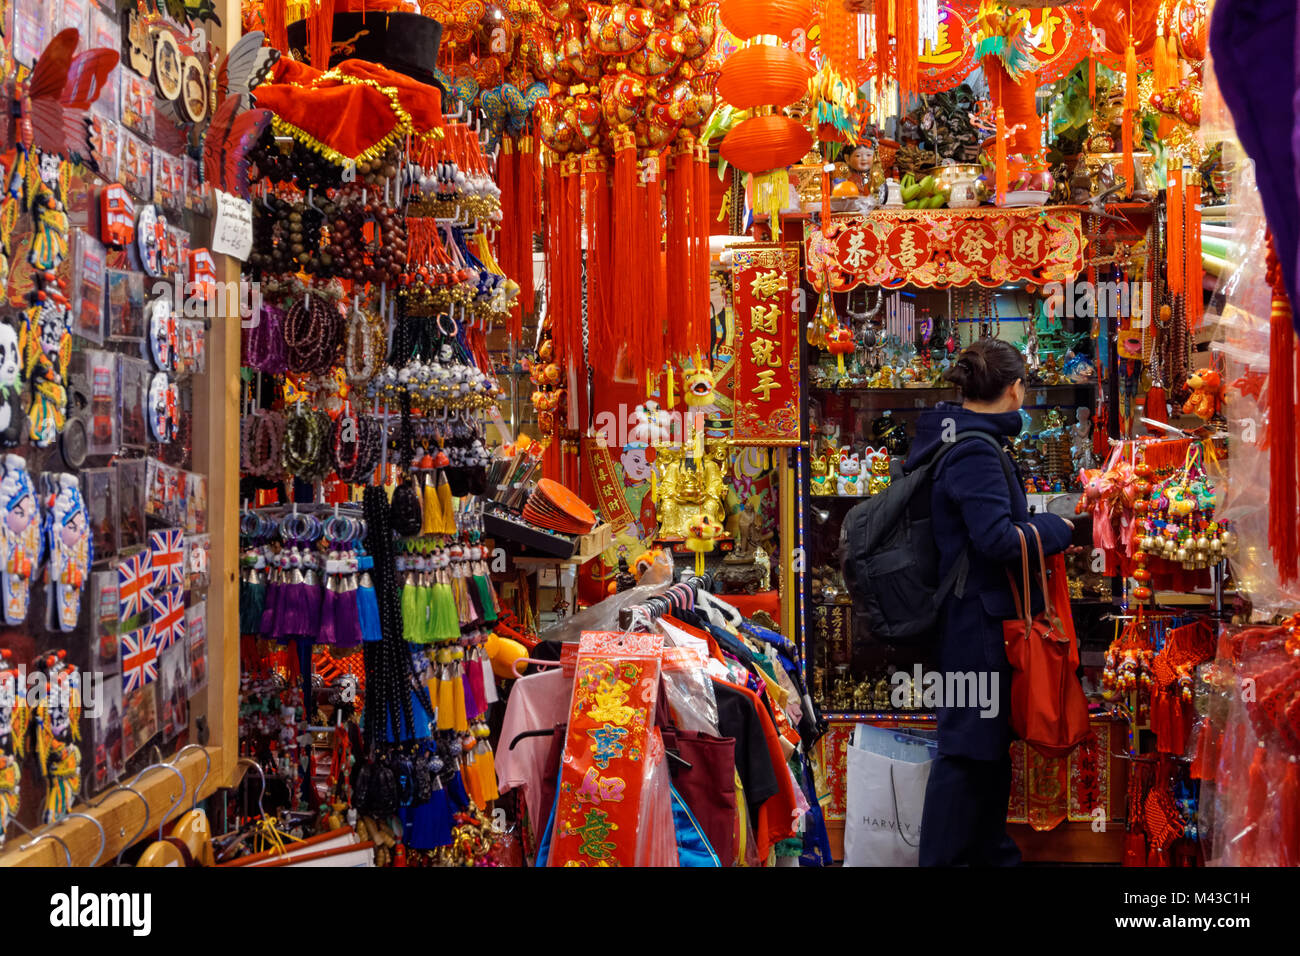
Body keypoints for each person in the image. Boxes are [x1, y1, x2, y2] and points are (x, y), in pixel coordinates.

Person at [903, 338, 1075, 866]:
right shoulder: (975, 449)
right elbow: (996, 538)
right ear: (1015, 388)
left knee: (982, 749)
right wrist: (1058, 527)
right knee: (967, 750)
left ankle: (989, 855)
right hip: (975, 622)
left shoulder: (963, 439)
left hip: (973, 617)